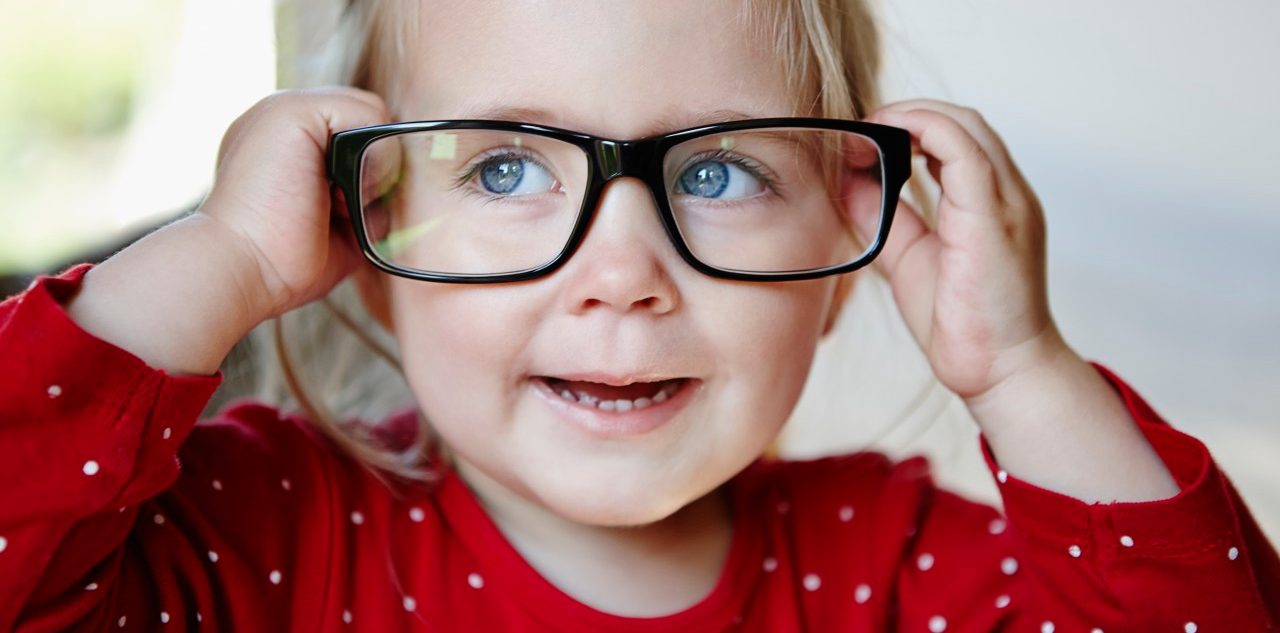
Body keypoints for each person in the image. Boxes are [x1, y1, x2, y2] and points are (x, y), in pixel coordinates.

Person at [1, 1, 1276, 630]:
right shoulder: (266, 536)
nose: (620, 272)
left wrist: (1022, 371)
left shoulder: (884, 567)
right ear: (370, 239)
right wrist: (218, 259)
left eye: (717, 173)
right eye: (503, 168)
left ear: (847, 241)